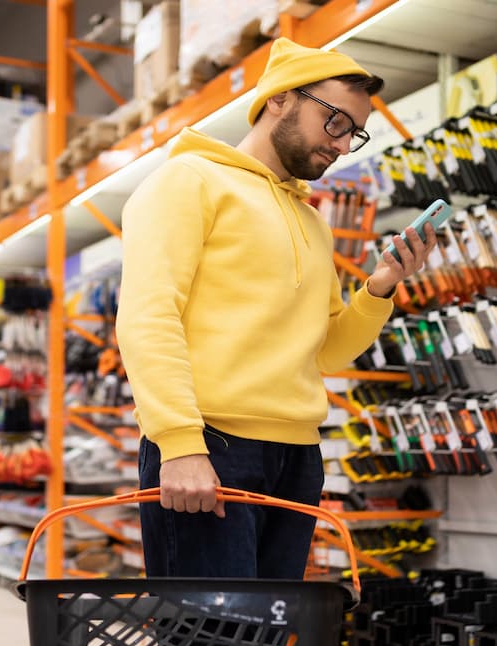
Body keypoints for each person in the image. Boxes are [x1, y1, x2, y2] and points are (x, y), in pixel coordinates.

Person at [117, 37, 436, 582]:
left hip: (296, 455)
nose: (341, 145)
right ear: (281, 99)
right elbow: (148, 319)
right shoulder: (188, 181)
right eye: (334, 122)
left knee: (264, 644)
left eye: (353, 133)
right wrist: (179, 444)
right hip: (211, 446)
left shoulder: (311, 220)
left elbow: (326, 351)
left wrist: (379, 287)